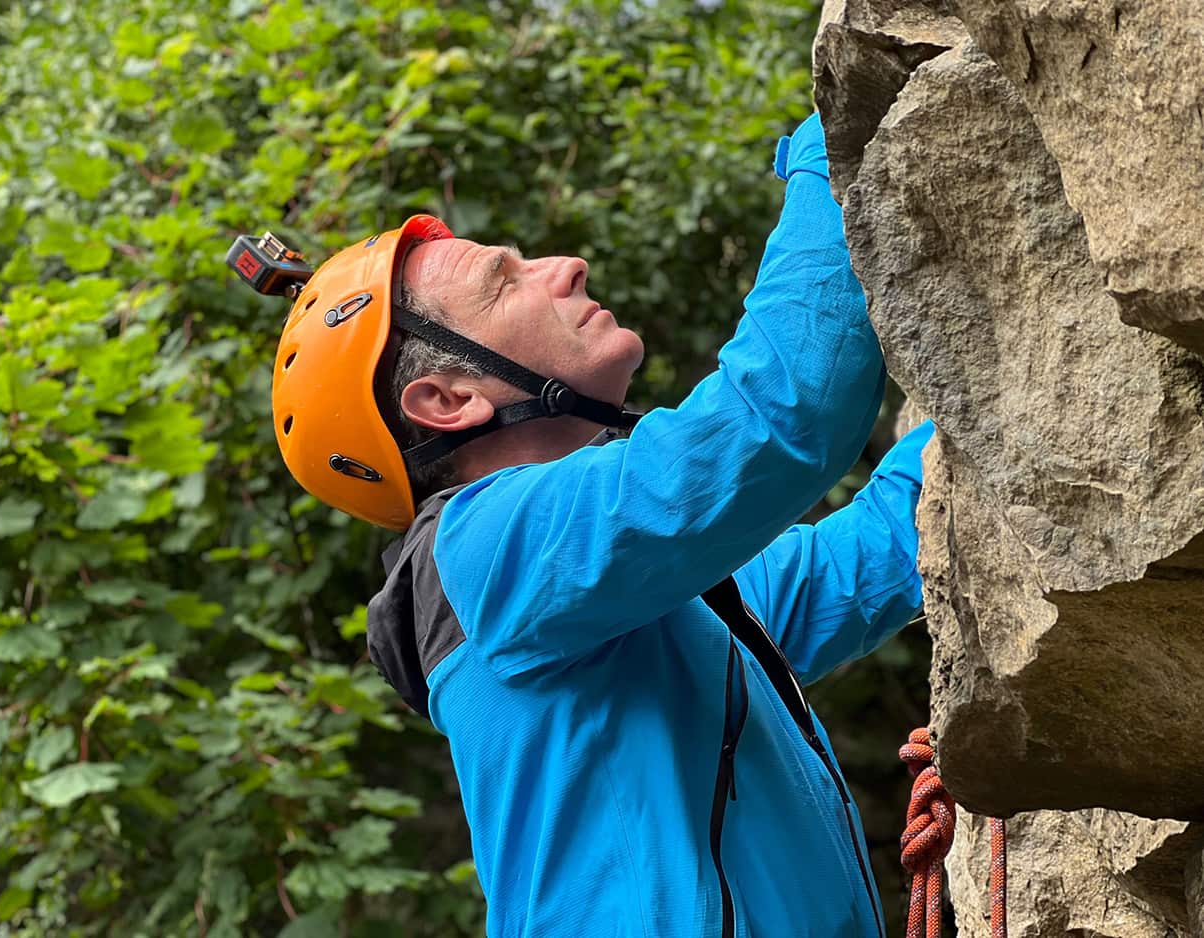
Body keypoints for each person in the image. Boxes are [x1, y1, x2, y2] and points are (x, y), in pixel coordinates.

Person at [269, 111, 932, 937]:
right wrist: (836, 144)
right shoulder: (484, 550)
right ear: (446, 402)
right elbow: (782, 415)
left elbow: (874, 560)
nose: (567, 267)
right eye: (503, 280)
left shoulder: (661, 603)